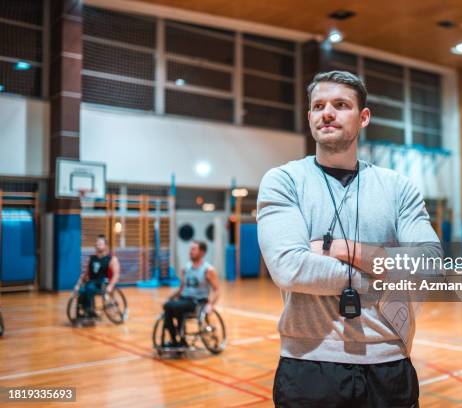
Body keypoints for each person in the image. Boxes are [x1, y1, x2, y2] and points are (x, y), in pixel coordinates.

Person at [257, 71, 441, 407]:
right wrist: (388, 275)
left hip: (389, 361)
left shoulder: (398, 187)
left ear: (364, 117)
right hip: (308, 365)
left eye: (341, 105)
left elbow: (429, 266)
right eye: (318, 106)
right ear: (309, 116)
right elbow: (289, 268)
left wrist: (336, 248)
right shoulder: (284, 181)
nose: (327, 112)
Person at [162, 241, 220, 348]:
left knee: (171, 307)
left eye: (194, 249)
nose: (190, 252)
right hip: (184, 300)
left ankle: (178, 340)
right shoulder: (186, 268)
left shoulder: (208, 270)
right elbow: (181, 288)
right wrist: (170, 297)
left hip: (197, 302)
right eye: (190, 249)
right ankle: (177, 340)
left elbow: (217, 290)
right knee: (168, 307)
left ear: (202, 252)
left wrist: (210, 304)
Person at [75, 235, 121, 318]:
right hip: (92, 283)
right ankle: (83, 311)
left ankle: (89, 311)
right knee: (82, 290)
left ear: (105, 246)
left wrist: (110, 286)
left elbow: (116, 275)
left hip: (103, 284)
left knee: (89, 287)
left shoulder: (112, 259)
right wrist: (78, 285)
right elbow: (85, 274)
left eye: (99, 243)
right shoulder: (92, 258)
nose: (97, 245)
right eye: (96, 243)